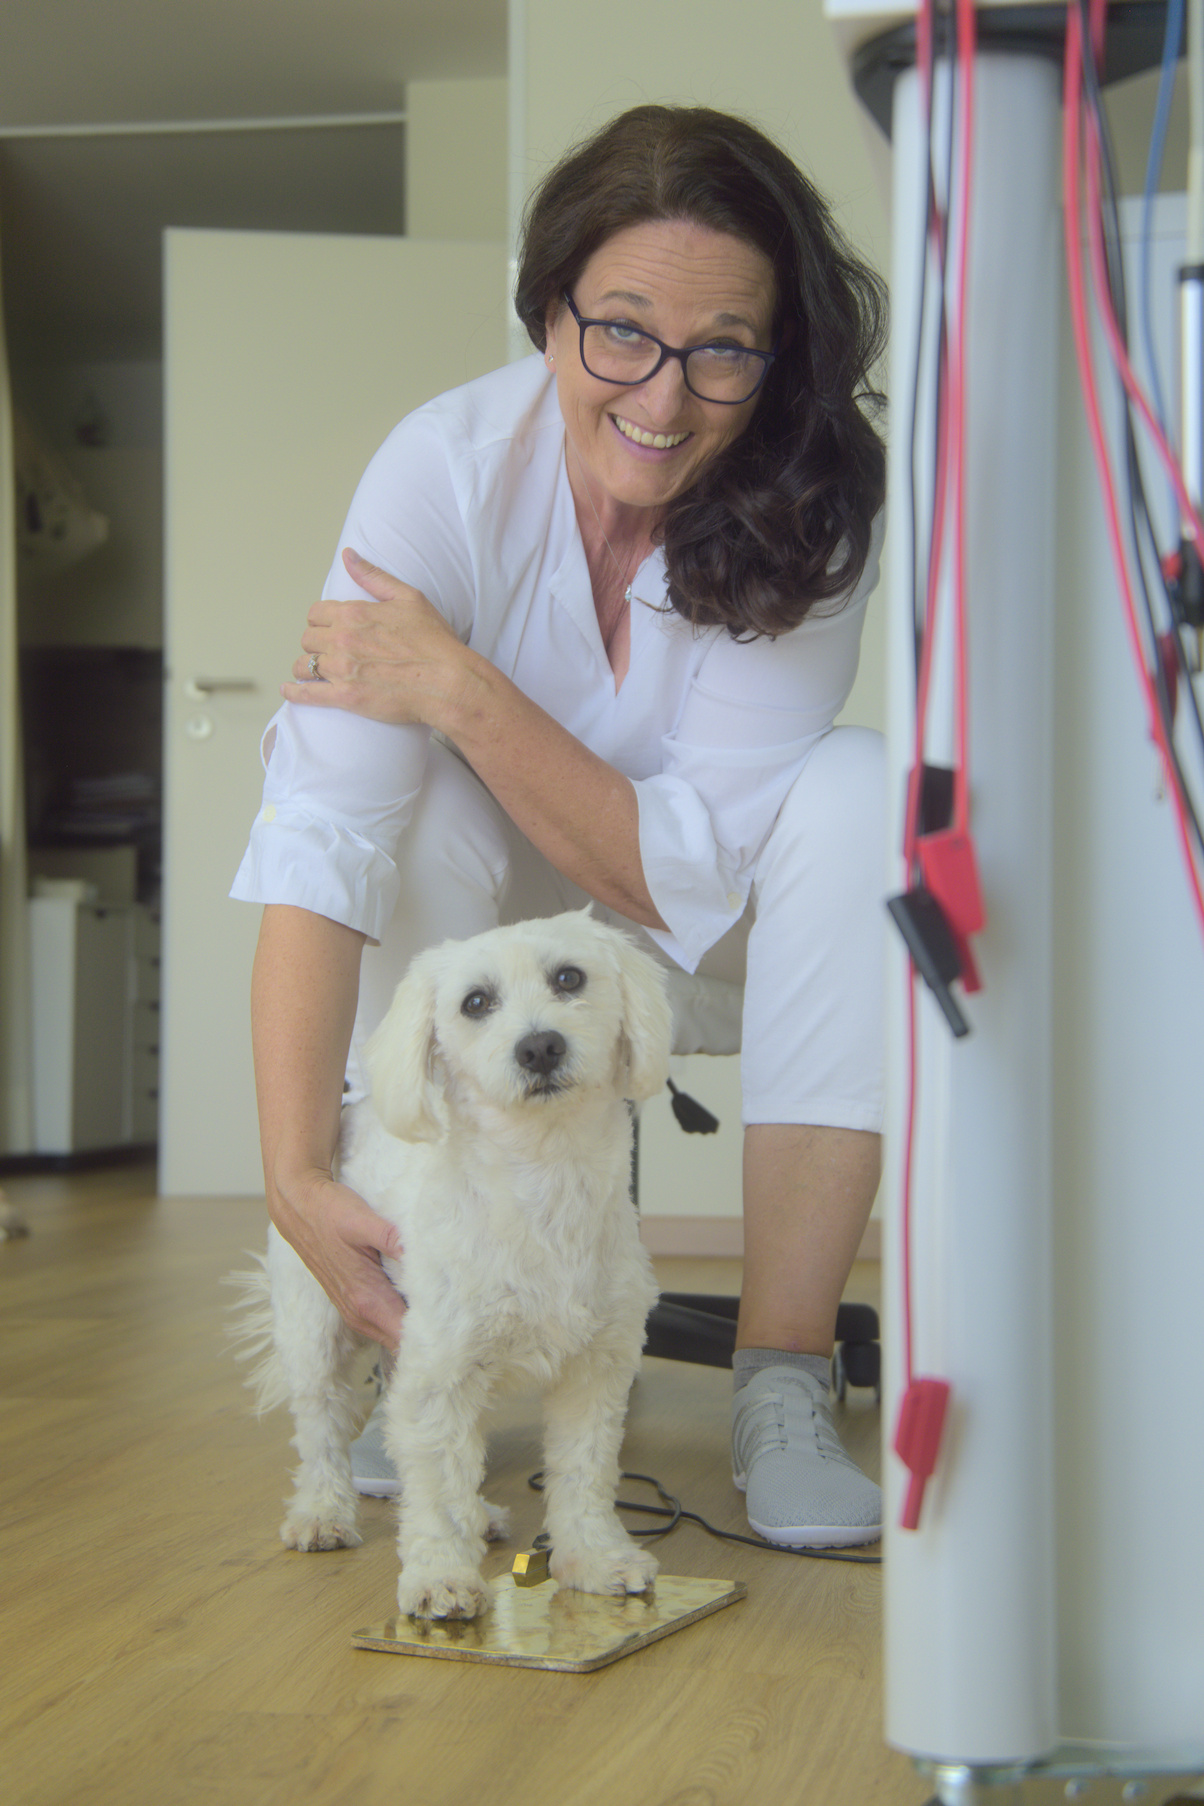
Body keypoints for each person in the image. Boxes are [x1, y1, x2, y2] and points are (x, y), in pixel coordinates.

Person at [231, 103, 888, 1550]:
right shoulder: (441, 468)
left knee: (859, 796)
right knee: (409, 781)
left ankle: (782, 1375)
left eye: (726, 344)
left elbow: (687, 872)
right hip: (492, 935)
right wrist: (293, 1174)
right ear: (549, 314)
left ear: (780, 355)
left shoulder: (818, 506)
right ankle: (424, 1323)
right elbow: (324, 828)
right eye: (623, 332)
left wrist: (463, 684)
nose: (666, 392)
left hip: (713, 937)